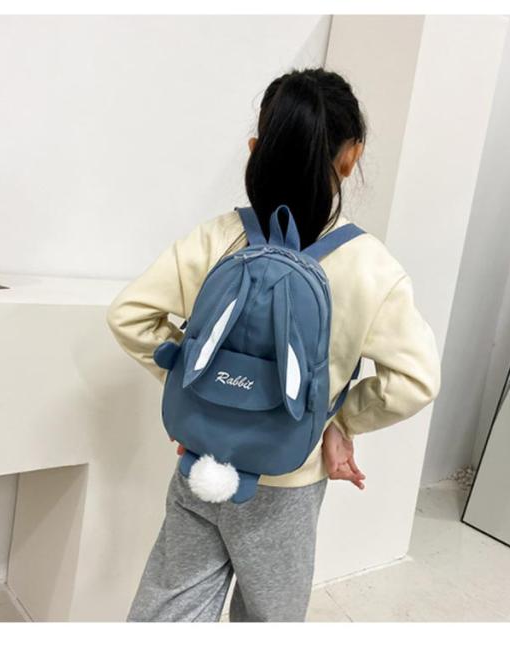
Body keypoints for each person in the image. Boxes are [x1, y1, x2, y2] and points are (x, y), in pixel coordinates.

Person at [106, 67, 442, 623]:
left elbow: (129, 317)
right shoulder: (372, 269)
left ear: (256, 148)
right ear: (350, 157)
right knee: (270, 620)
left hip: (201, 460)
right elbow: (416, 380)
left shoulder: (217, 237)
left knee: (169, 609)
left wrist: (194, 382)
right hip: (289, 478)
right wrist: (337, 420)